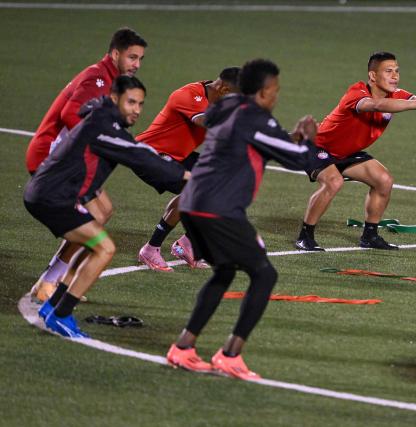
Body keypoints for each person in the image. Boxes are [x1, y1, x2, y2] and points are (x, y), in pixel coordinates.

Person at [166, 59, 317, 379]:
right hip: (218, 208)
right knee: (264, 275)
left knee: (225, 271)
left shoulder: (228, 105)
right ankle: (230, 354)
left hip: (192, 203)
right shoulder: (258, 119)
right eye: (275, 90)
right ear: (263, 93)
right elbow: (299, 160)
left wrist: (288, 137)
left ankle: (183, 347)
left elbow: (256, 140)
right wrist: (309, 138)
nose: (277, 96)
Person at [25, 76, 189, 338]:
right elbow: (140, 156)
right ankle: (61, 314)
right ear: (114, 100)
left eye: (140, 104)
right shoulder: (105, 128)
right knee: (105, 247)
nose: (137, 109)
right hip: (52, 197)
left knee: (94, 240)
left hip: (54, 193)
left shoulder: (102, 117)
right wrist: (187, 177)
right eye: (131, 102)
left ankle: (53, 306)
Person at [27, 27, 148, 303]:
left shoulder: (111, 80)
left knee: (102, 211)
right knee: (96, 215)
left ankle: (55, 280)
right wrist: (100, 140)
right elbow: (70, 114)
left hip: (65, 161)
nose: (136, 65)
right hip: (50, 158)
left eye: (140, 59)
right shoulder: (97, 78)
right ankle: (51, 282)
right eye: (132, 57)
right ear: (115, 54)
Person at [295, 51, 416, 251]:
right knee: (334, 182)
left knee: (384, 180)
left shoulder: (395, 96)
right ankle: (305, 236)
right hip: (318, 147)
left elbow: (413, 98)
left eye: (397, 71)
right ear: (372, 76)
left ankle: (370, 236)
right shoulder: (357, 93)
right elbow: (376, 105)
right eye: (388, 71)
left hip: (348, 153)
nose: (395, 76)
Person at [136, 67, 240, 272]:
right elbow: (204, 121)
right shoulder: (189, 95)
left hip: (178, 156)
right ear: (225, 89)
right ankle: (150, 249)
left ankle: (186, 243)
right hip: (149, 154)